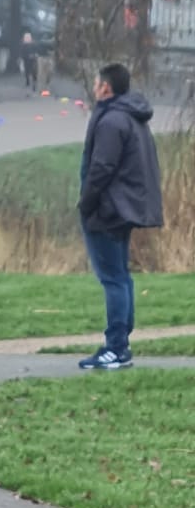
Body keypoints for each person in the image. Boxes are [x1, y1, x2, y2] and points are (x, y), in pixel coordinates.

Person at [78, 62, 164, 371]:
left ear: (105, 87)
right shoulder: (131, 116)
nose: (93, 88)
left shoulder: (112, 120)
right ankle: (121, 344)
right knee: (121, 276)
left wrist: (86, 203)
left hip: (108, 209)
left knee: (113, 279)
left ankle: (115, 347)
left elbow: (102, 167)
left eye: (96, 83)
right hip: (124, 208)